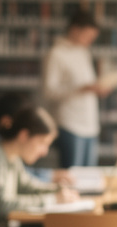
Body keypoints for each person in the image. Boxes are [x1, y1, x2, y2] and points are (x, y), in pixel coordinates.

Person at [41, 9, 107, 167]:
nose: (90, 41)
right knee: (72, 174)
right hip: (69, 124)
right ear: (75, 29)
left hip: (90, 123)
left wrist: (97, 88)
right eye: (88, 36)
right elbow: (48, 91)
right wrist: (80, 89)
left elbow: (86, 84)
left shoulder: (84, 52)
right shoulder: (56, 54)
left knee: (89, 176)